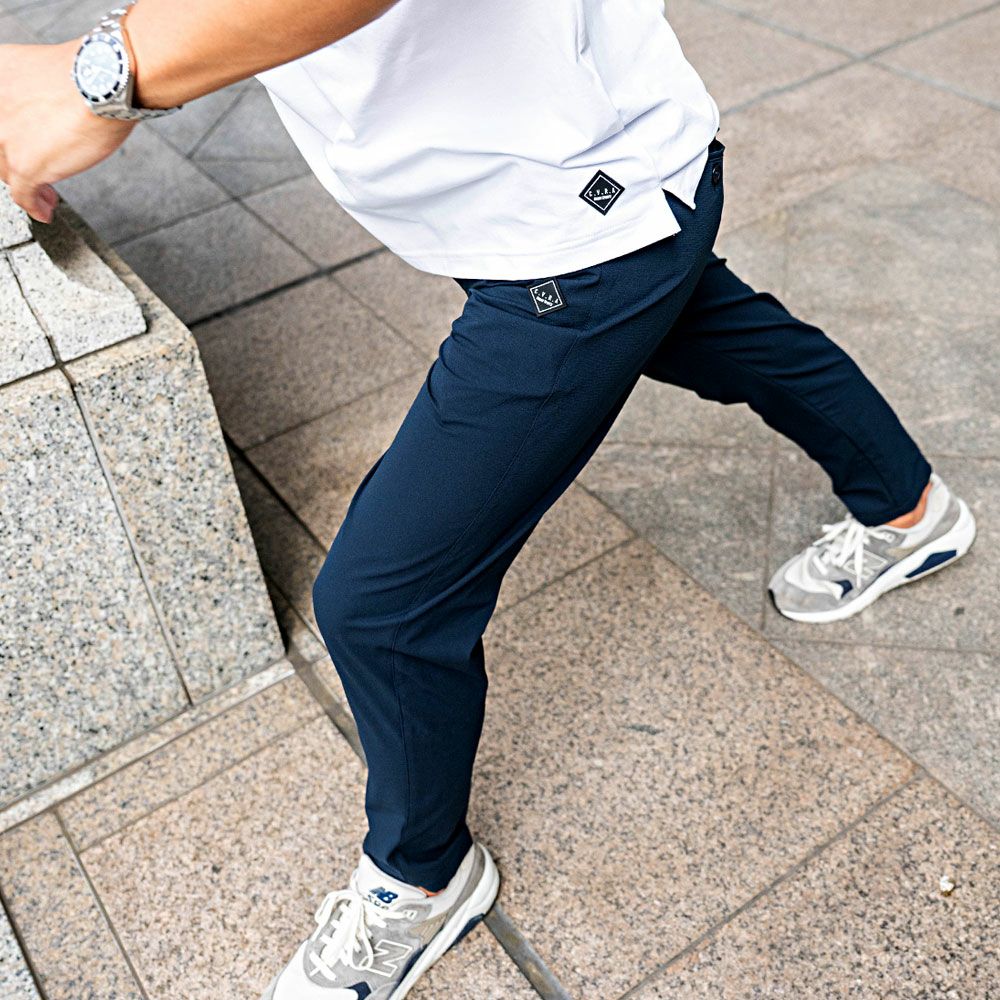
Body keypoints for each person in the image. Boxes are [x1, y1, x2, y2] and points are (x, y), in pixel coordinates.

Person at [0, 0, 977, 996]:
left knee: (380, 605)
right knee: (727, 338)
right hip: (616, 171)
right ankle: (908, 507)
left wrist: (107, 73)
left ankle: (423, 876)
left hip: (578, 231)